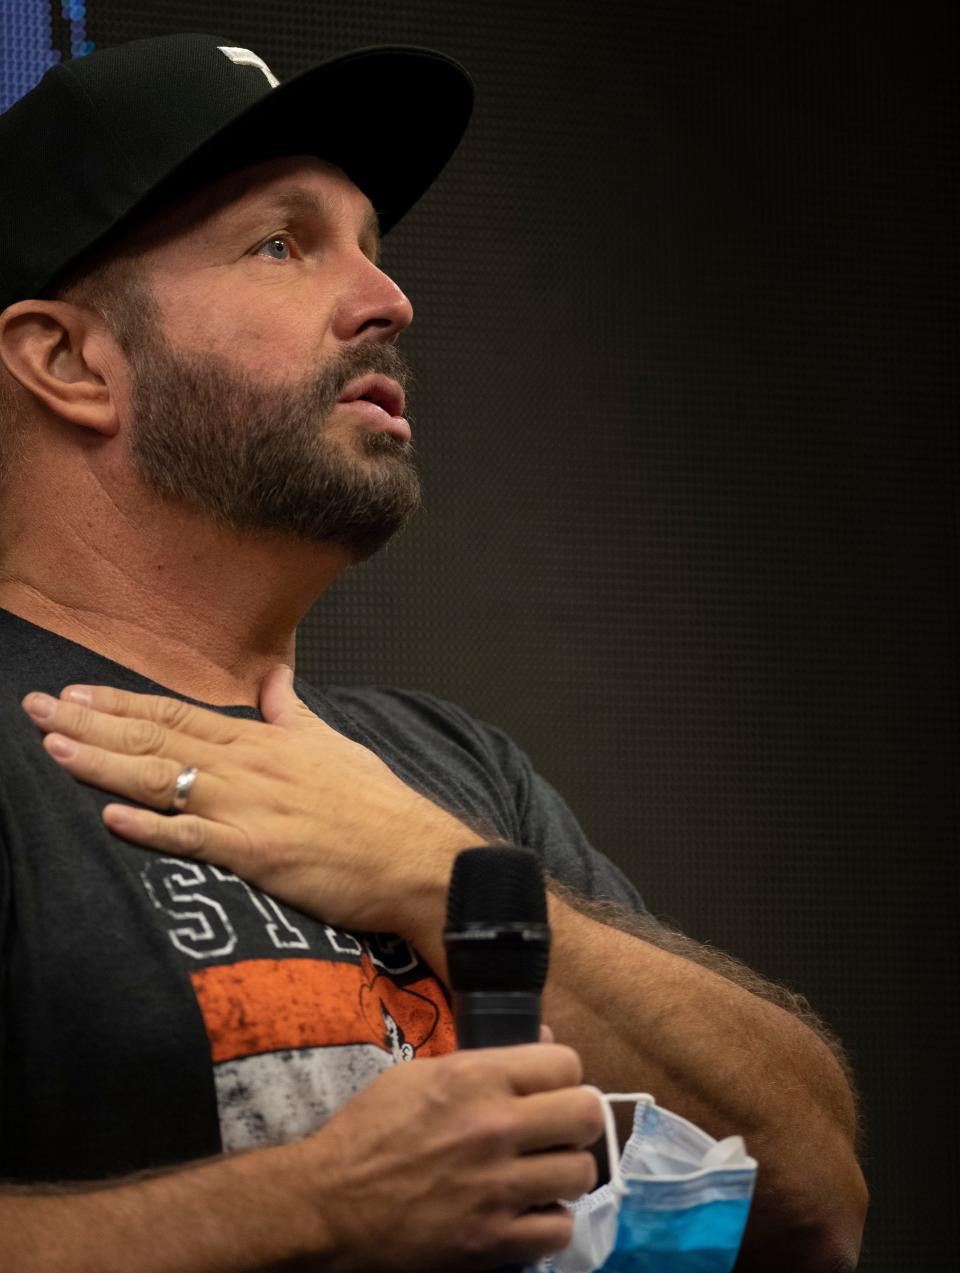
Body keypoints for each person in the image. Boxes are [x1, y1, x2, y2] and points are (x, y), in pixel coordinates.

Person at [0, 32, 866, 1273]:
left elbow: (815, 1199)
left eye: (373, 247)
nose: (387, 300)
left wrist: (428, 867)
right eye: (283, 243)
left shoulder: (449, 775)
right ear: (71, 360)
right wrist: (319, 1204)